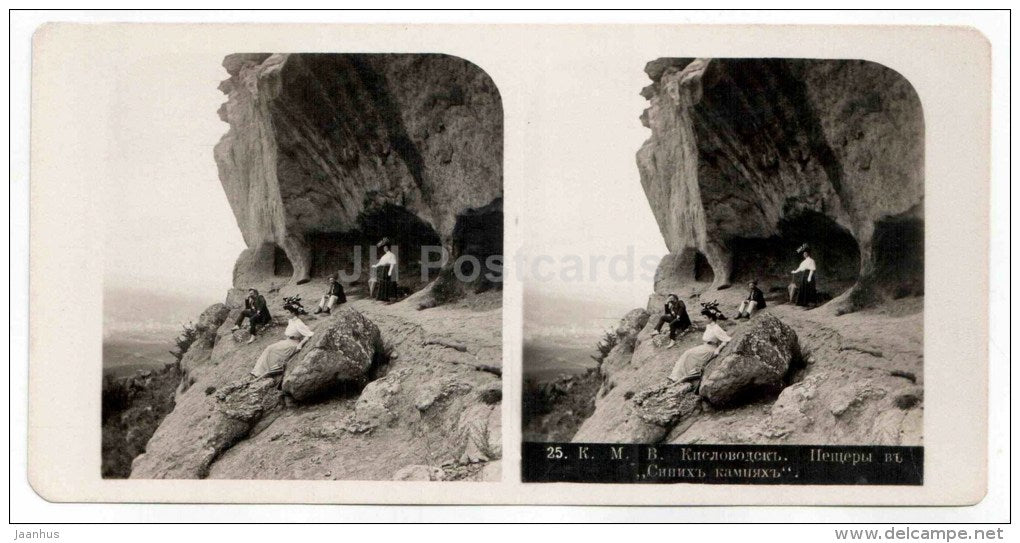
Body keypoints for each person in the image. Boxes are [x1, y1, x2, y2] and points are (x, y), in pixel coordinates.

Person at [668, 303, 732, 384]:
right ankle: (675, 376)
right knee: (687, 353)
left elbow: (727, 339)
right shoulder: (709, 326)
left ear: (711, 318)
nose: (704, 319)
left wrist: (718, 349)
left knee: (689, 354)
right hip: (705, 346)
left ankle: (681, 376)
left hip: (710, 350)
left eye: (705, 318)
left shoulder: (716, 328)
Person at [250, 298, 314, 378]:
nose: (286, 314)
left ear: (293, 313)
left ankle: (264, 371)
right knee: (269, 348)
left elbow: (309, 335)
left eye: (287, 312)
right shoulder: (291, 321)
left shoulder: (299, 323)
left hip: (293, 344)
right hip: (288, 341)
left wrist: (300, 344)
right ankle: (258, 371)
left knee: (271, 349)